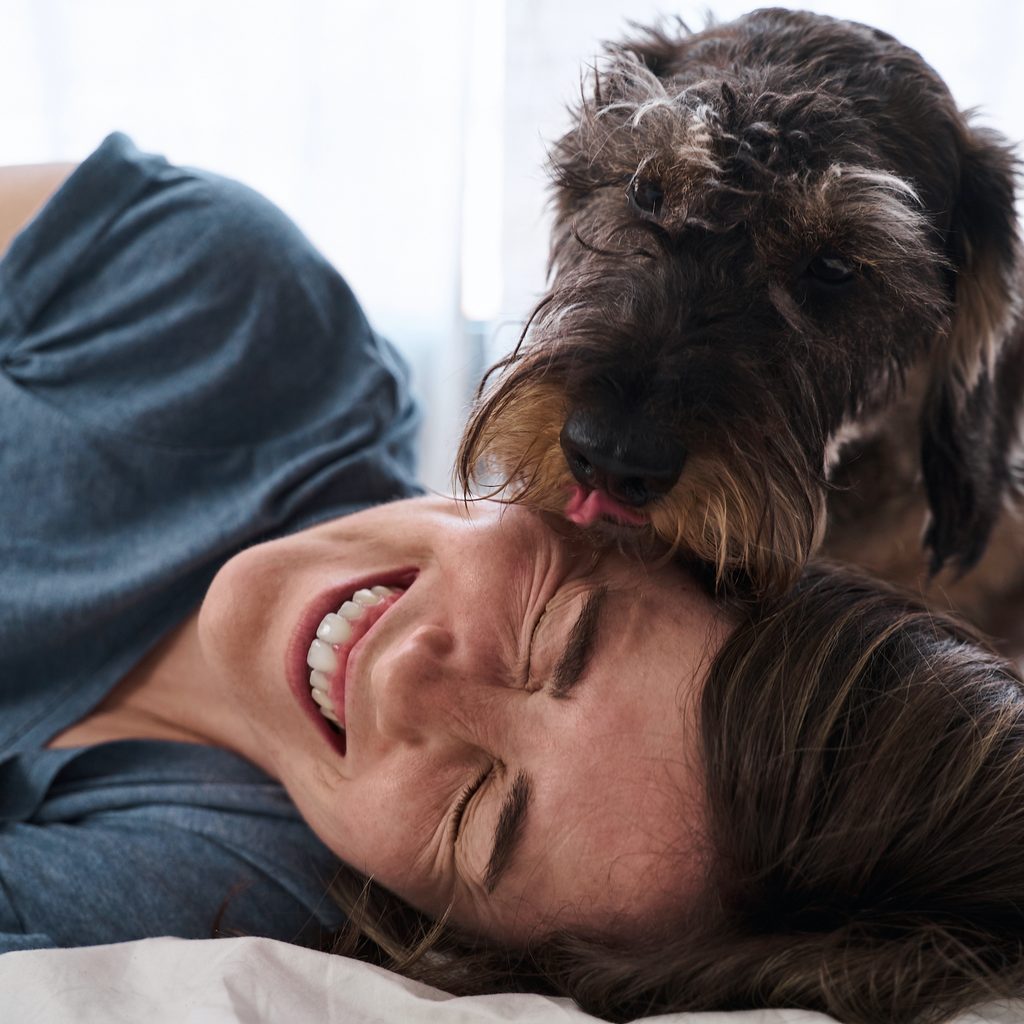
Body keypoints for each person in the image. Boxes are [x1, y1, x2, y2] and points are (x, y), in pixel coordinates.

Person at [2, 135, 1024, 1024]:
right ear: (608, 505)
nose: (410, 678)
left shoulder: (210, 891)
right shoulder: (215, 304)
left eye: (477, 813)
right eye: (557, 629)